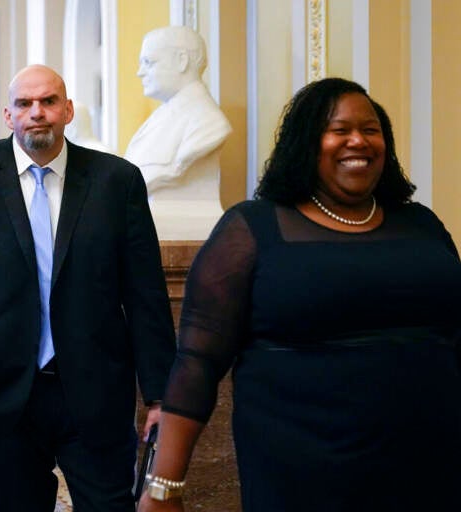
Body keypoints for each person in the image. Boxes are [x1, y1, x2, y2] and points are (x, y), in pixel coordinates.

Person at [138, 78, 461, 512]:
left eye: (371, 130)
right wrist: (163, 488)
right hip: (304, 476)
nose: (357, 141)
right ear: (305, 142)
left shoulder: (421, 224)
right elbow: (197, 362)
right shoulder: (253, 228)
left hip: (430, 471)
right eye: (339, 129)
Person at [0, 64, 177, 512]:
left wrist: (159, 395)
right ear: (8, 115)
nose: (36, 113)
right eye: (24, 104)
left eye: (48, 101)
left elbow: (145, 295)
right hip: (0, 395)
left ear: (68, 110)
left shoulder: (116, 181)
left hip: (97, 392)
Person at [125, 25, 231, 196]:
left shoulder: (208, 122)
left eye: (148, 62)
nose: (139, 73)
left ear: (182, 61)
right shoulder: (160, 116)